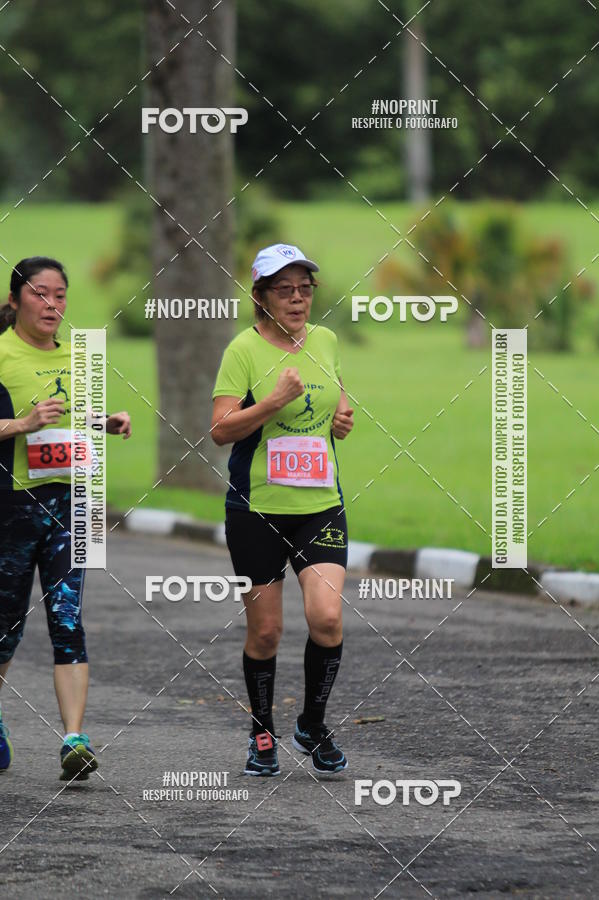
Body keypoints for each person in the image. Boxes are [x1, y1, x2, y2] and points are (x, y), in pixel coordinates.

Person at [211, 243, 354, 776]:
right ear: (262, 297)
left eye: (304, 288)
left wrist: (343, 414)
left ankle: (312, 727)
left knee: (328, 617)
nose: (297, 299)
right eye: (284, 289)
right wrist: (270, 402)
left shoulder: (327, 340)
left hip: (320, 505)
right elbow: (221, 430)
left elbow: (336, 392)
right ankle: (262, 732)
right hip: (257, 511)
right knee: (266, 632)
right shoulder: (242, 351)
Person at [0, 257, 131, 780]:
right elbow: (34, 420)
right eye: (40, 293)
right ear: (15, 300)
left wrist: (105, 420)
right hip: (10, 509)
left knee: (69, 620)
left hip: (74, 505)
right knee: (4, 630)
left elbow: (70, 418)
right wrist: (22, 423)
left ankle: (75, 739)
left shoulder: (82, 357)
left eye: (60, 294)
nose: (52, 303)